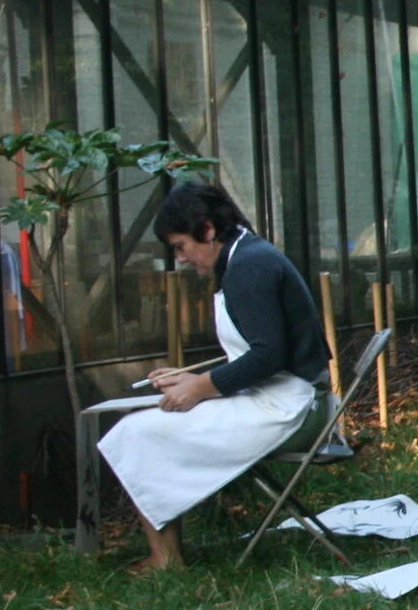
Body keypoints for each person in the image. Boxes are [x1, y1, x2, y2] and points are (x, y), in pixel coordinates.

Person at [97, 182, 330, 570]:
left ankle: (165, 559)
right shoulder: (245, 255)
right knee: (144, 428)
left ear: (206, 231)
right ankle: (165, 554)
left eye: (181, 246)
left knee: (135, 432)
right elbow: (259, 354)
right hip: (289, 397)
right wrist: (194, 380)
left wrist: (200, 388)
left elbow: (266, 357)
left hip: (293, 408)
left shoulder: (249, 266)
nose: (181, 258)